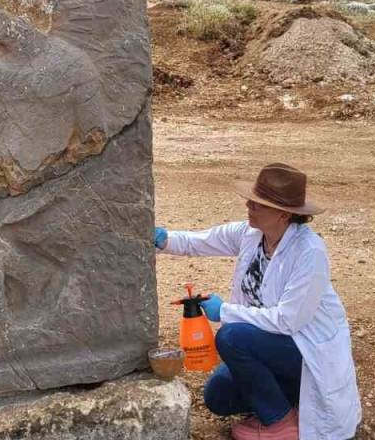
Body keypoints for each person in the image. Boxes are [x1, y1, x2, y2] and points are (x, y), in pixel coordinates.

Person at [155, 163, 361, 440]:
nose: (250, 205)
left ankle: (281, 422)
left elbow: (287, 321)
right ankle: (290, 401)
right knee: (218, 395)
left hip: (303, 348)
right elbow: (203, 240)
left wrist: (225, 311)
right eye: (252, 200)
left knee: (231, 337)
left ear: (284, 214)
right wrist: (165, 240)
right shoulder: (252, 234)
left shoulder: (309, 253)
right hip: (271, 346)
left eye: (259, 204)